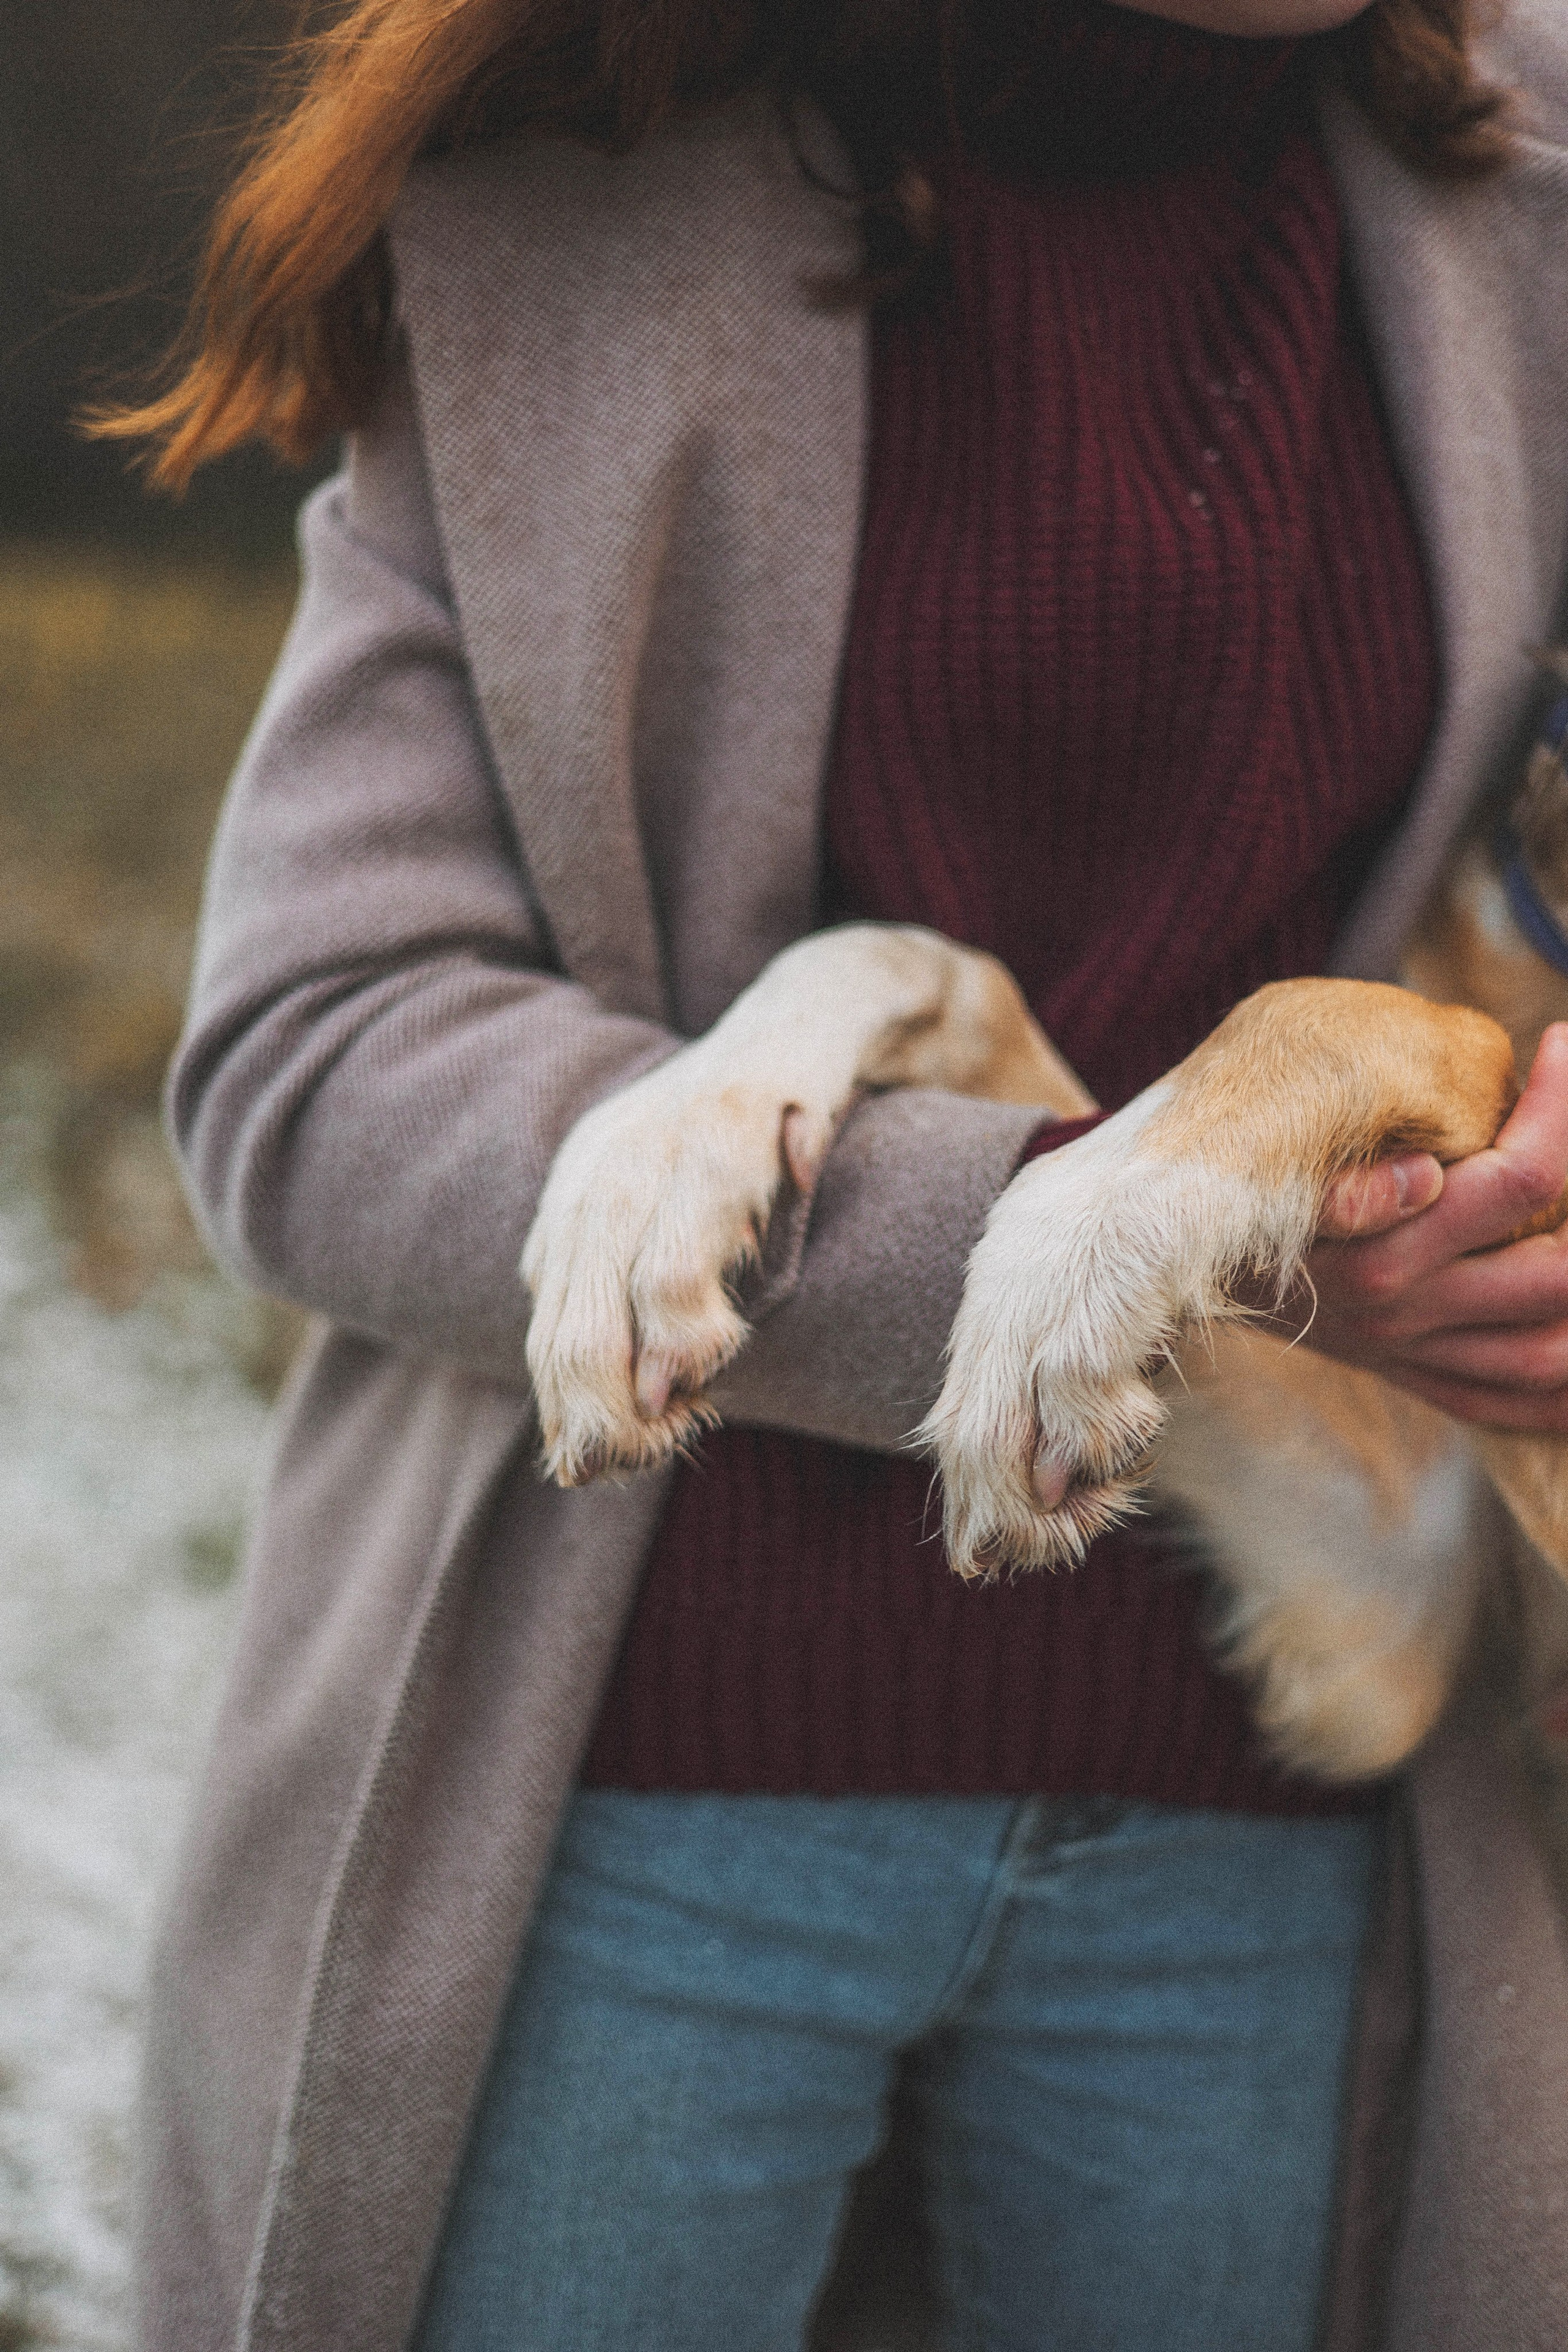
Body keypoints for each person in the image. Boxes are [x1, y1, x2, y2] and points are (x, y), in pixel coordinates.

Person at [104, 1, 1568, 2346]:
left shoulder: (1522, 173)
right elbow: (312, 1058)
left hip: (1298, 1825)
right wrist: (1038, 1226)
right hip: (644, 1803)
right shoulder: (573, 181)